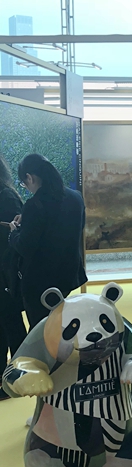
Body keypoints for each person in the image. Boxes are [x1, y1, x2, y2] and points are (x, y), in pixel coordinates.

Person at [8, 154, 87, 328]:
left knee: (41, 331)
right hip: (68, 277)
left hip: (40, 283)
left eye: (24, 183)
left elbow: (24, 246)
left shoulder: (34, 205)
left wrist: (13, 232)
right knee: (62, 326)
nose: (26, 187)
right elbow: (74, 227)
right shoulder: (76, 197)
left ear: (29, 177)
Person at [0, 155, 27, 399]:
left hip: (5, 273)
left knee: (11, 324)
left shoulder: (7, 197)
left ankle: (19, 376)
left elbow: (13, 237)